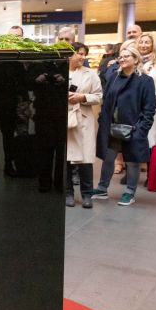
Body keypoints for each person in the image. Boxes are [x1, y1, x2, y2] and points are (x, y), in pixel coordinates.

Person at [90, 42, 156, 206]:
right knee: (108, 157)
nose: (122, 59)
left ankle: (129, 192)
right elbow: (106, 101)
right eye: (120, 56)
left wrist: (141, 130)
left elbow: (149, 109)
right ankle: (102, 188)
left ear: (136, 59)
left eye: (127, 56)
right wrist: (102, 119)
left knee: (132, 160)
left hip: (133, 128)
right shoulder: (114, 77)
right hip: (111, 125)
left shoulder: (145, 80)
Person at [66, 44, 103, 208]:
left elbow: (99, 97)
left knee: (86, 159)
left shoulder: (91, 74)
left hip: (83, 120)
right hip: (66, 120)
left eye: (83, 54)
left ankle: (87, 194)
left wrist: (82, 97)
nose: (81, 57)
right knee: (66, 159)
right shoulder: (59, 71)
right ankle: (68, 193)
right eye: (78, 53)